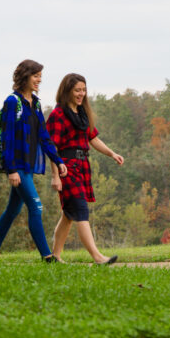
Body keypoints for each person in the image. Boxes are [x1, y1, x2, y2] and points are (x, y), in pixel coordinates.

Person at [0, 59, 67, 263]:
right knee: (36, 207)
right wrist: (11, 169)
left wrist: (58, 160)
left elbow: (44, 136)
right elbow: (8, 138)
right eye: (36, 76)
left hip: (28, 166)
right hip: (17, 166)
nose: (39, 80)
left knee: (12, 210)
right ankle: (47, 257)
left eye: (40, 76)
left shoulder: (35, 103)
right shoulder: (13, 102)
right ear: (25, 76)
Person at [46, 73, 123, 264]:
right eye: (77, 90)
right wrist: (55, 176)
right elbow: (51, 147)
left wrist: (112, 154)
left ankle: (55, 256)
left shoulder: (82, 114)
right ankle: (98, 257)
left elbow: (93, 138)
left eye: (84, 90)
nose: (81, 94)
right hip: (66, 167)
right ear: (67, 91)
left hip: (82, 166)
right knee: (81, 210)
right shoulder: (58, 115)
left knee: (68, 214)